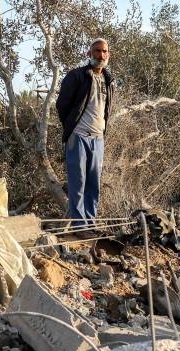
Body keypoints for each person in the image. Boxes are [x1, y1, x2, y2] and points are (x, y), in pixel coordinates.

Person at [55, 37, 114, 227]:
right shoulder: (77, 76)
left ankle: (91, 222)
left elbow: (106, 109)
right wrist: (71, 127)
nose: (101, 55)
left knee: (93, 184)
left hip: (98, 139)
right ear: (89, 54)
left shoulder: (108, 80)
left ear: (108, 55)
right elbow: (62, 104)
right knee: (77, 183)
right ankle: (80, 225)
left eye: (104, 51)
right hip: (78, 136)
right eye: (97, 51)